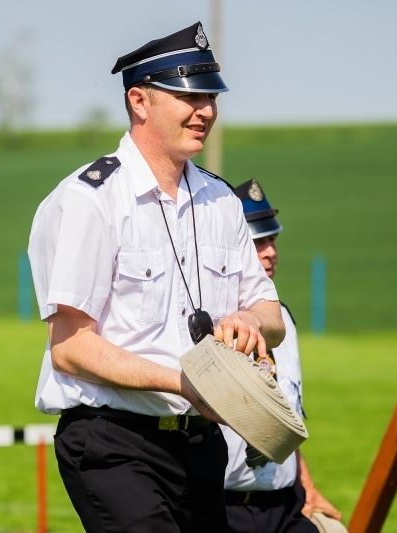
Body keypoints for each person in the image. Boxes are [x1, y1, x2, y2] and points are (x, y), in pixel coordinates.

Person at [27, 22, 285, 533]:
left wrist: (248, 321)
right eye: (189, 95)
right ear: (139, 101)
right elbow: (70, 347)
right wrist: (185, 384)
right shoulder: (90, 199)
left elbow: (271, 313)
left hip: (202, 444)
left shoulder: (222, 200)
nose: (206, 110)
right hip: (114, 442)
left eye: (210, 96)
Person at [223, 179, 342, 533]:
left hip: (286, 504)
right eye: (257, 242)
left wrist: (308, 487)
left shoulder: (284, 319)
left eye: (271, 239)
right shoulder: (209, 322)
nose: (270, 251)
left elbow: (286, 415)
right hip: (223, 508)